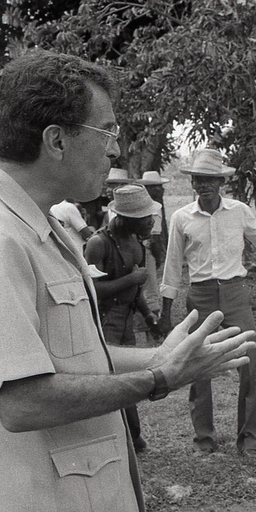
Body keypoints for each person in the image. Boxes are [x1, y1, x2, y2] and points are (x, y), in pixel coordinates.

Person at [0, 51, 255, 512]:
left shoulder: (37, 222)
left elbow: (69, 357)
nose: (116, 149)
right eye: (107, 132)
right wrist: (157, 380)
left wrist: (157, 355)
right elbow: (23, 400)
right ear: (56, 139)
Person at [158, 148, 256, 456]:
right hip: (200, 295)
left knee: (248, 365)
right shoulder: (182, 218)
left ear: (221, 182)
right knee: (198, 369)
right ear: (193, 183)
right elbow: (172, 266)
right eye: (199, 179)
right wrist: (166, 311)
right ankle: (204, 441)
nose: (204, 185)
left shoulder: (238, 211)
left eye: (211, 179)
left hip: (235, 294)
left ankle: (250, 441)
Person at [84, 184, 164, 453]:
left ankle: (133, 437)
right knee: (108, 382)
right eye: (146, 218)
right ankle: (120, 441)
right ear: (126, 217)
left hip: (127, 318)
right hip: (106, 320)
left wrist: (148, 315)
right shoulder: (98, 244)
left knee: (128, 380)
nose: (152, 222)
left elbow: (135, 290)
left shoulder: (136, 243)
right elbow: (90, 290)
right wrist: (130, 279)